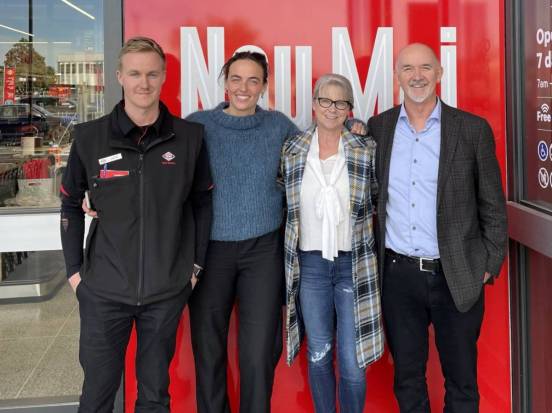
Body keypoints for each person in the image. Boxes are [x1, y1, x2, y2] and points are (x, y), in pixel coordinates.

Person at [60, 36, 212, 413]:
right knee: (97, 393)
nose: (143, 82)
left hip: (165, 291)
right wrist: (75, 274)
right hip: (103, 291)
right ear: (119, 77)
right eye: (134, 73)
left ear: (163, 77)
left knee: (154, 396)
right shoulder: (89, 138)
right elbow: (69, 204)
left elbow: (202, 204)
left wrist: (193, 268)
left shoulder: (190, 138)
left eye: (151, 74)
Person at [368, 43, 508, 412]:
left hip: (457, 274)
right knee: (408, 380)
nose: (417, 76)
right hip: (398, 276)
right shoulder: (378, 129)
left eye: (425, 67)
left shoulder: (472, 130)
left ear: (439, 73)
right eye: (408, 68)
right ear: (397, 76)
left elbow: (492, 205)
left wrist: (488, 264)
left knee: (462, 382)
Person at [185, 51, 299, 413]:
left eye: (253, 80)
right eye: (236, 78)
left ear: (264, 86)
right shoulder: (198, 125)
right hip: (209, 253)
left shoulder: (278, 125)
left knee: (258, 352)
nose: (244, 87)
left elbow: (317, 154)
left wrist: (353, 125)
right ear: (225, 82)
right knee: (208, 350)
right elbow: (163, 173)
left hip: (262, 251)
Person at [279, 73, 384, 413]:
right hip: (310, 266)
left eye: (341, 102)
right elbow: (283, 200)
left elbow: (379, 198)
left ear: (349, 109)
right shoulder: (292, 150)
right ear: (314, 104)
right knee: (319, 352)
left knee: (353, 362)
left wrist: (358, 125)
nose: (332, 108)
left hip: (353, 265)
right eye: (326, 100)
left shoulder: (364, 149)